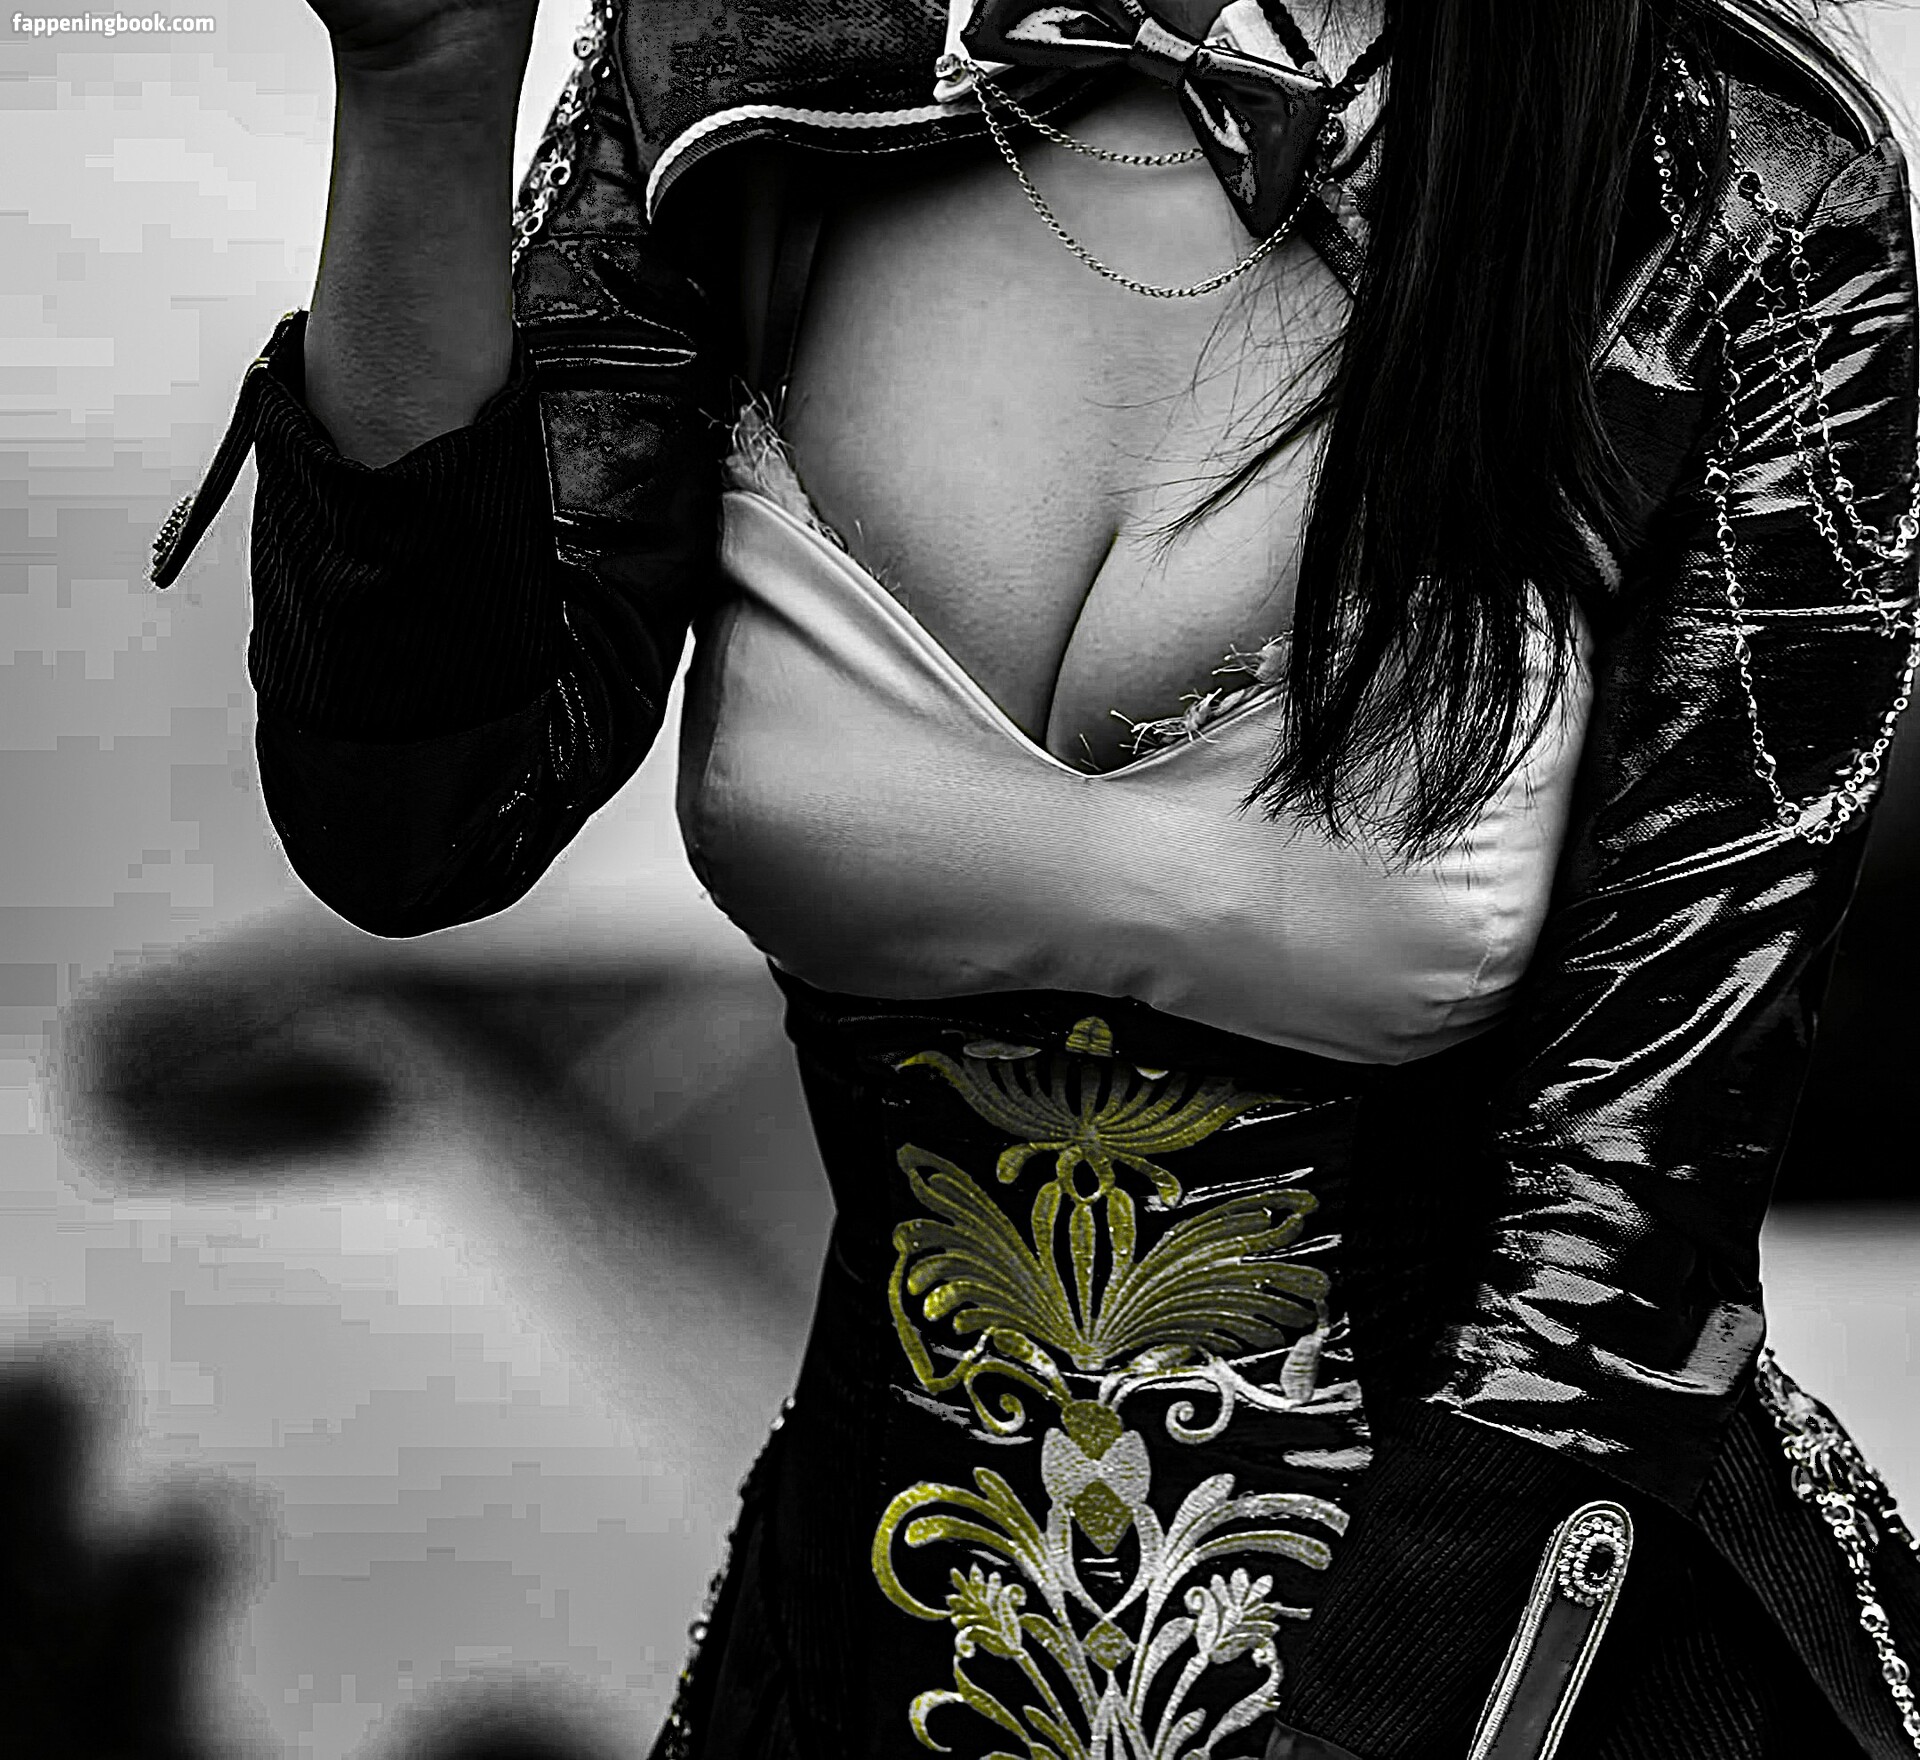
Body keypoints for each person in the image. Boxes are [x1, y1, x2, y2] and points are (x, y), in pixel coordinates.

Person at [150, 0, 1920, 1754]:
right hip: (852, 1678)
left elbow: (1633, 1224)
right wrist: (422, 88)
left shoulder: (1730, 167)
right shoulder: (747, 50)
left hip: (1511, 1670)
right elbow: (414, 822)